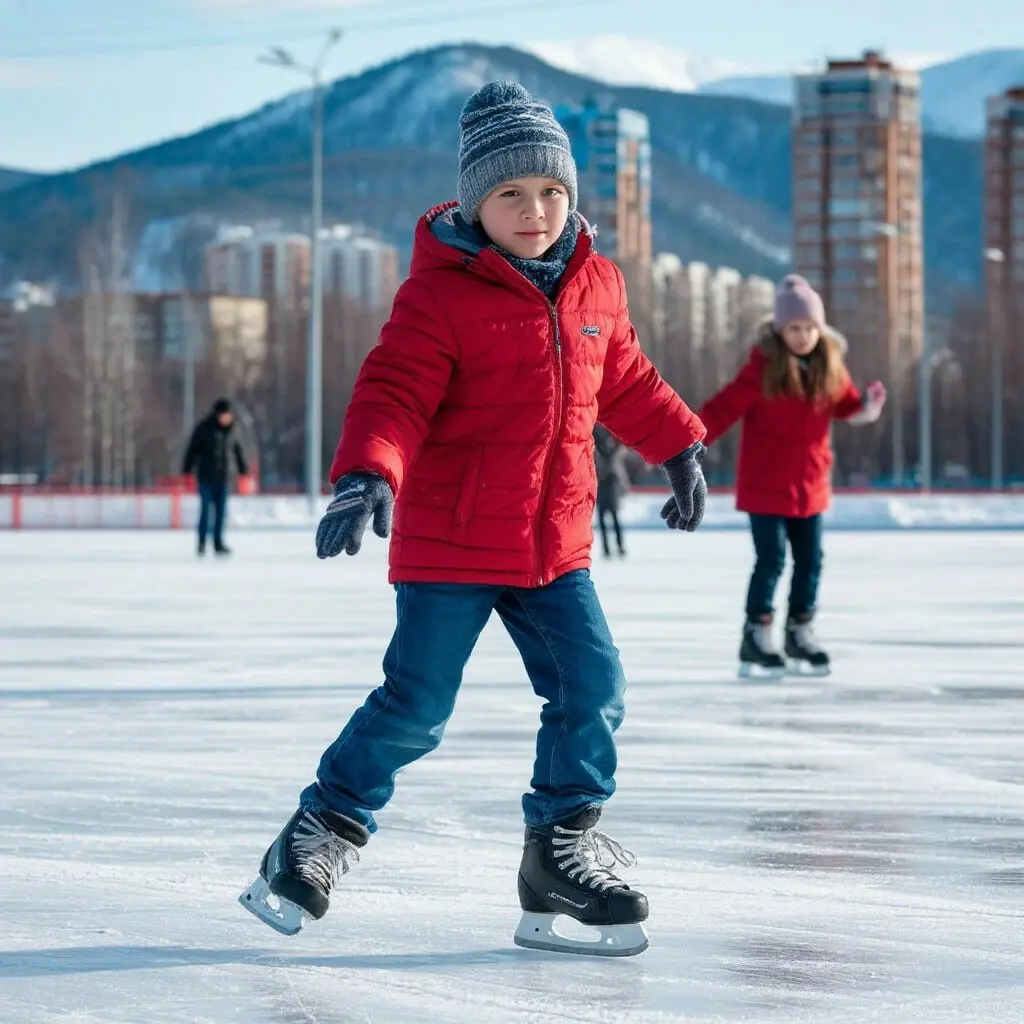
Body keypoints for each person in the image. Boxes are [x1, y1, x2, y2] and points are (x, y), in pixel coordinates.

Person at [239, 81, 708, 957]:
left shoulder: (597, 283)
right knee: (417, 706)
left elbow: (628, 379)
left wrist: (677, 446)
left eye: (551, 192)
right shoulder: (440, 294)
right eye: (511, 195)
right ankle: (315, 837)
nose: (535, 211)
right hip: (451, 541)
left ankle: (558, 854)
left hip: (555, 544)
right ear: (472, 201)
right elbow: (394, 393)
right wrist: (366, 475)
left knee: (592, 690)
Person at [696, 275, 886, 678]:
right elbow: (722, 408)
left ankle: (800, 630)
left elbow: (848, 405)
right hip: (766, 485)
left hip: (811, 486)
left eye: (809, 328)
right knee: (771, 560)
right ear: (780, 331)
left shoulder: (829, 367)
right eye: (793, 329)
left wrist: (868, 405)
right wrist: (689, 437)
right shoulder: (762, 370)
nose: (802, 337)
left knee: (811, 561)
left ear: (821, 329)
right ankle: (757, 635)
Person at [181, 397, 248, 556]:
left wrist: (242, 469)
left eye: (229, 415)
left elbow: (237, 450)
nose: (228, 418)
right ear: (218, 414)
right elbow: (192, 450)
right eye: (225, 414)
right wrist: (187, 470)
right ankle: (202, 542)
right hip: (205, 478)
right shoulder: (204, 429)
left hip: (223, 478)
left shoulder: (231, 431)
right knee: (205, 511)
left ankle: (218, 543)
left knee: (221, 513)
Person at [594, 424, 629, 558]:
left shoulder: (603, 452)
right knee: (610, 519)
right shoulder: (610, 452)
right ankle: (613, 547)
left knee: (609, 519)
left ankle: (612, 547)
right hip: (607, 486)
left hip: (605, 486)